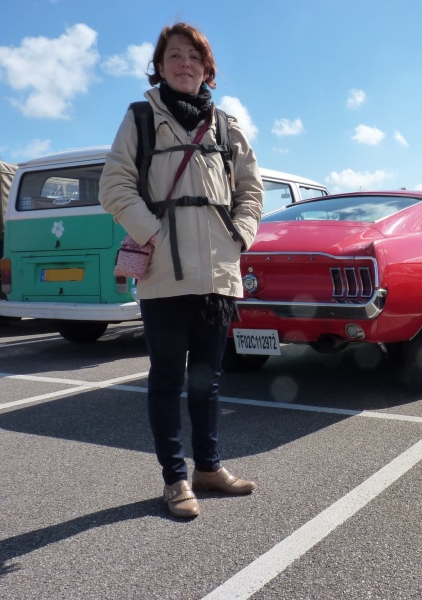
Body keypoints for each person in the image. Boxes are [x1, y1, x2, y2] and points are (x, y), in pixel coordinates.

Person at [99, 23, 264, 518]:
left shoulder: (227, 125)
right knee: (167, 378)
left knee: (208, 380)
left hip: (217, 274)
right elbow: (114, 185)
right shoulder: (141, 118)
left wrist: (240, 236)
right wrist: (151, 232)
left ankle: (209, 468)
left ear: (207, 68)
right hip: (164, 276)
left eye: (193, 56)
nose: (184, 64)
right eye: (174, 55)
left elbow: (251, 190)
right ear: (161, 65)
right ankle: (176, 479)